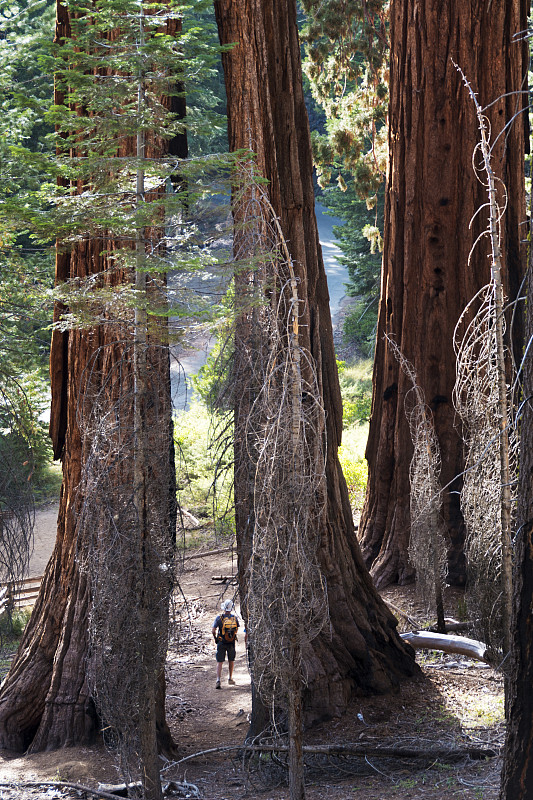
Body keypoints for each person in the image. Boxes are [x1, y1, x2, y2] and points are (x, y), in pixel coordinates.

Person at [212, 599, 240, 689]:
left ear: (224, 608)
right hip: (231, 643)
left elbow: (213, 630)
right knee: (231, 660)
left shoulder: (219, 618)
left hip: (221, 642)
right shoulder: (234, 618)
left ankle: (218, 680)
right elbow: (236, 630)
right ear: (231, 608)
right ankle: (230, 678)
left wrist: (216, 638)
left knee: (220, 662)